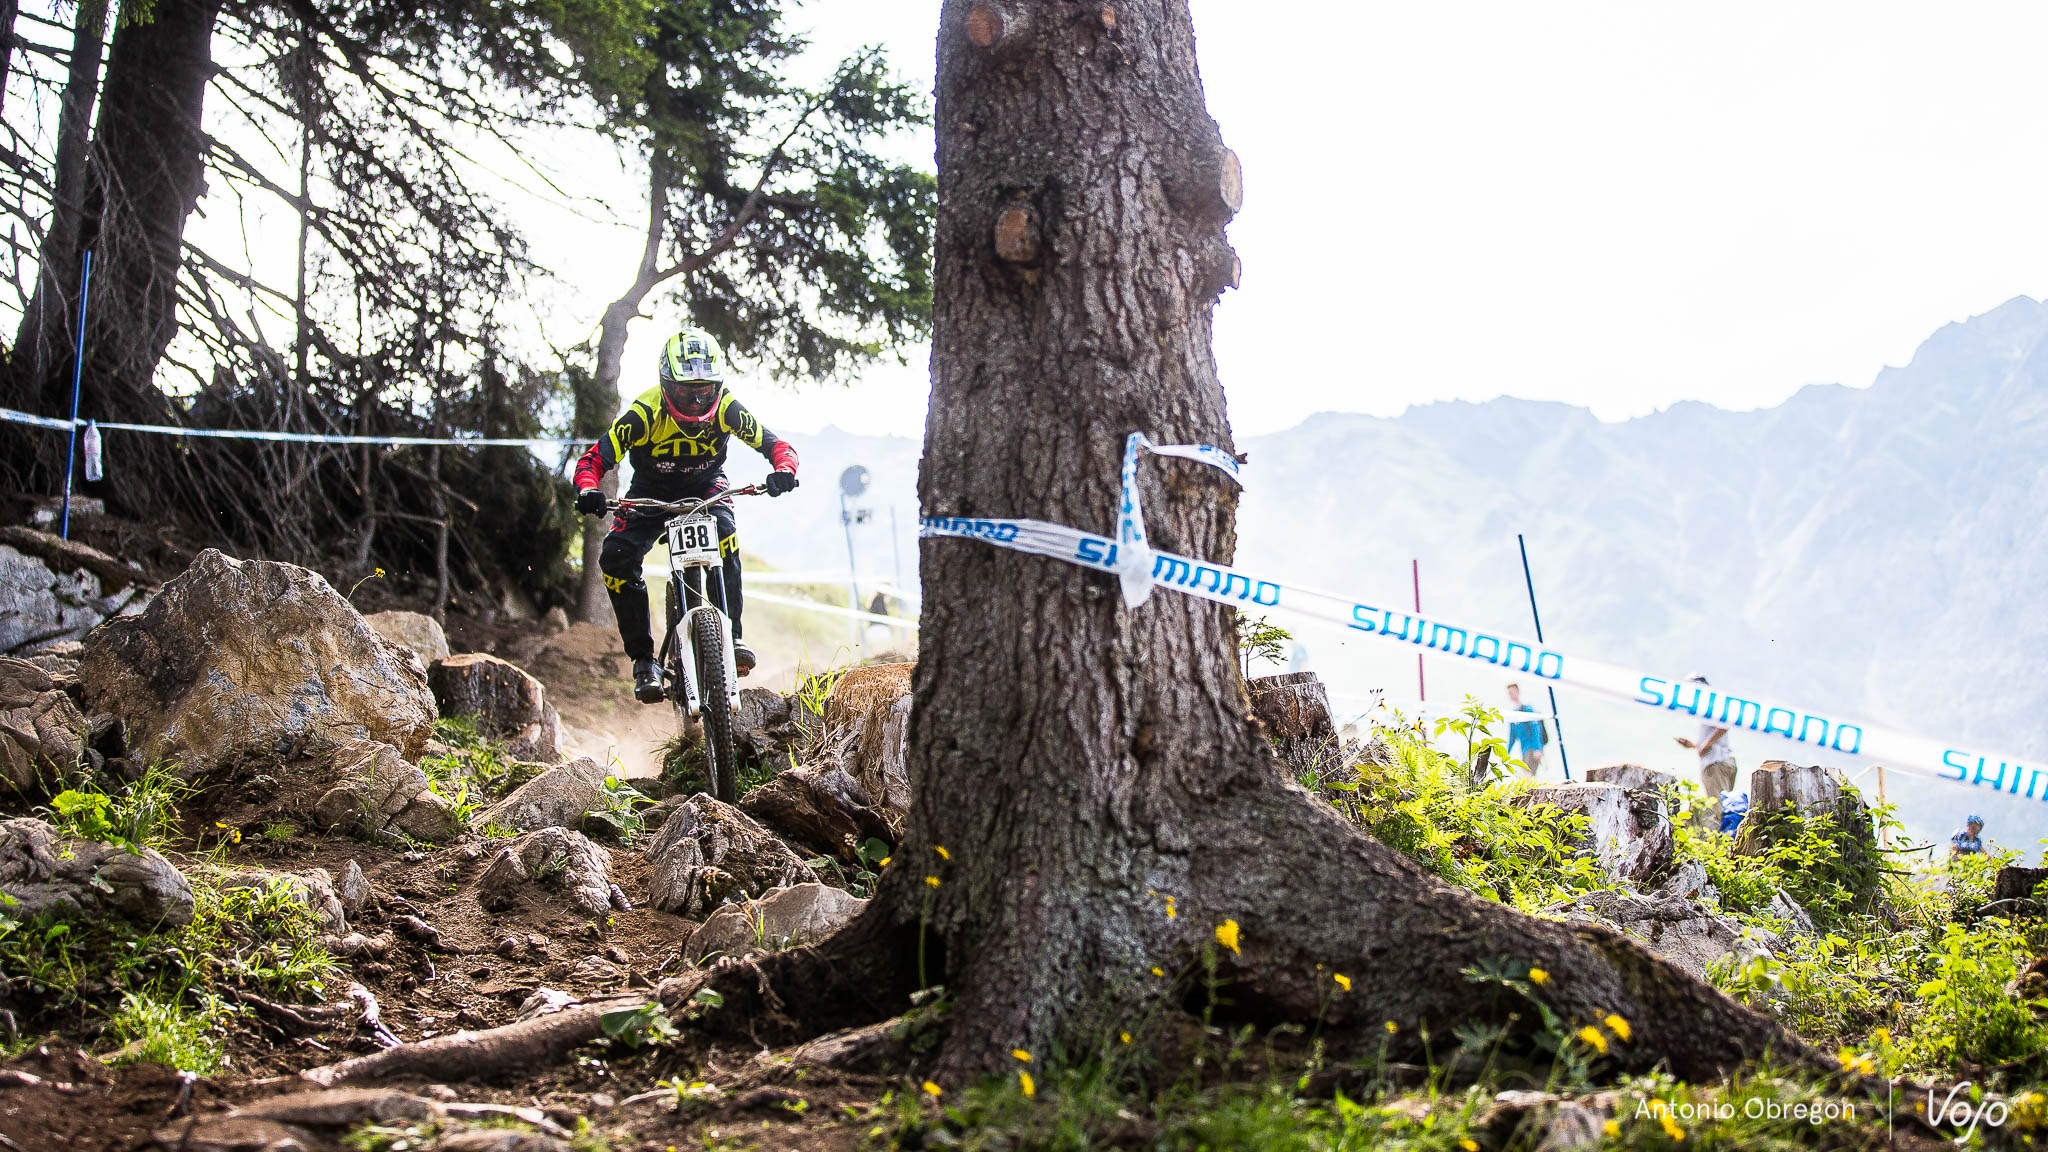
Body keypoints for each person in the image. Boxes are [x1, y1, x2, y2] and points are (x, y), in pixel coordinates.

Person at [573, 328, 798, 703]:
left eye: (704, 391)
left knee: (726, 533)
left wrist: (784, 471)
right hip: (650, 493)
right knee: (615, 559)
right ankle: (644, 660)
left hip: (707, 486)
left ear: (718, 387)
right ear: (665, 385)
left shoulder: (727, 408)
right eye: (684, 392)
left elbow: (777, 446)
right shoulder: (643, 414)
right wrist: (589, 490)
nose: (695, 403)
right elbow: (594, 460)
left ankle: (734, 635)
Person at [1673, 674, 1738, 800]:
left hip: (1715, 763)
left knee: (1718, 808)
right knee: (1724, 806)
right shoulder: (1706, 708)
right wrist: (1694, 745)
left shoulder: (1710, 705)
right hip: (1722, 760)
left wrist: (1706, 745)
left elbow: (1725, 724)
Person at [1503, 682, 1547, 774]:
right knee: (1526, 775)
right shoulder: (1513, 714)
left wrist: (1537, 749)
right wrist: (1506, 754)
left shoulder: (1527, 709)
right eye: (1509, 693)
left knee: (1527, 774)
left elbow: (1536, 729)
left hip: (1532, 747)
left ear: (1518, 691)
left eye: (1512, 692)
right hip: (1524, 749)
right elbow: (1512, 737)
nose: (1510, 695)